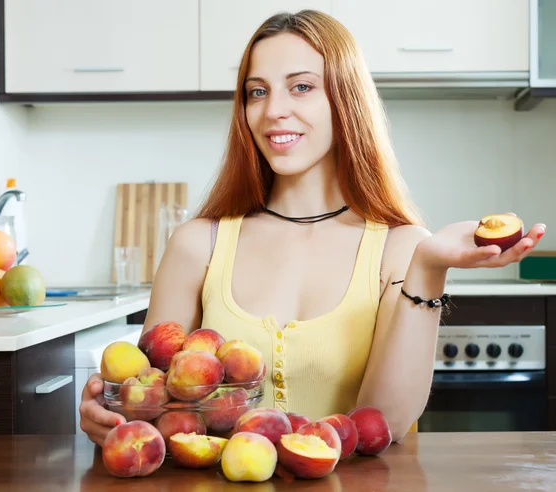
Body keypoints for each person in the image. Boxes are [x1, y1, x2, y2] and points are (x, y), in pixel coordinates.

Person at [79, 10, 546, 448]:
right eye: (257, 92)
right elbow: (157, 404)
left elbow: (386, 421)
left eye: (301, 87)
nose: (273, 110)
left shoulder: (400, 247)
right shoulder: (198, 244)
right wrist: (113, 415)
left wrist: (428, 268)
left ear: (345, 99)